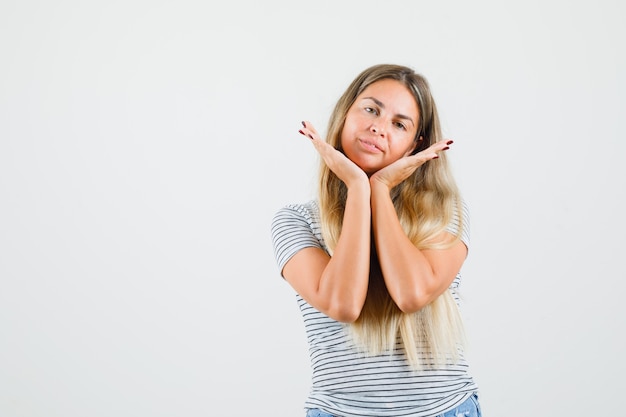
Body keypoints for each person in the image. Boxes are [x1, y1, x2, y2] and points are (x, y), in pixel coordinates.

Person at [270, 64, 481, 417]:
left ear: (417, 145)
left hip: (444, 410)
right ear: (344, 114)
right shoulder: (296, 221)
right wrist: (357, 188)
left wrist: (379, 188)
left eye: (399, 124)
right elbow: (343, 304)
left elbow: (412, 293)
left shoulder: (444, 213)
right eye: (370, 109)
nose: (378, 127)